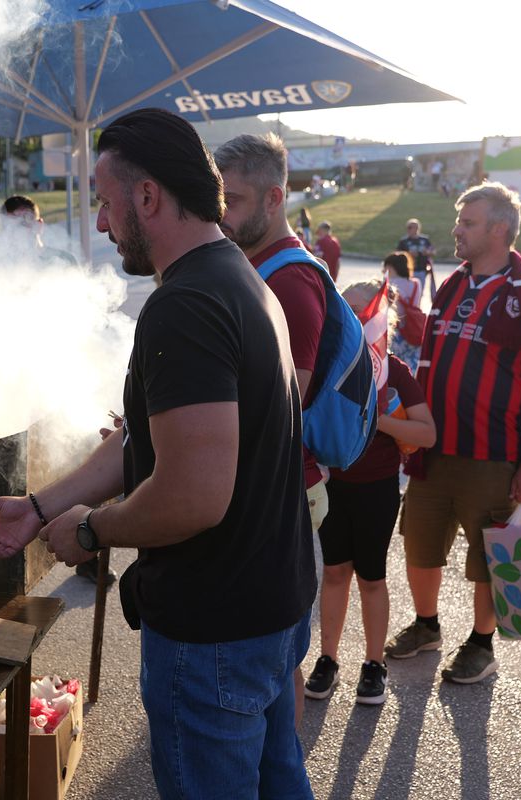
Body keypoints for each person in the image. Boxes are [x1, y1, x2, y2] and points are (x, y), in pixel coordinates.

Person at [0, 108, 316, 800]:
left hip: (214, 627)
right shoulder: (241, 278)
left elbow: (191, 495)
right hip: (271, 604)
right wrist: (42, 506)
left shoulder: (185, 307)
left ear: (149, 197)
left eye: (104, 201)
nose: (99, 222)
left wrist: (92, 529)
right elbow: (141, 443)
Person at [385, 182, 521, 684]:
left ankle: (481, 643)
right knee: (419, 543)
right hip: (433, 450)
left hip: (493, 456)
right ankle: (426, 626)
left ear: (499, 229)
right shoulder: (452, 285)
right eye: (459, 221)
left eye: (467, 222)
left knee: (491, 558)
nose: (456, 230)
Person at [212, 131, 328, 723]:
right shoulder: (254, 265)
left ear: (274, 197)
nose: (221, 214)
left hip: (285, 492)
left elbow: (284, 404)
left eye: (231, 199)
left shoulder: (289, 281)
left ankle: (282, 763)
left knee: (279, 660)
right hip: (274, 485)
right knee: (270, 661)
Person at [303, 278, 436, 705]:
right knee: (335, 572)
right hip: (334, 483)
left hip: (377, 489)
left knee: (372, 578)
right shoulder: (330, 363)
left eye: (362, 310)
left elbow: (426, 433)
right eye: (346, 308)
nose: (353, 316)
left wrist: (377, 420)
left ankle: (374, 664)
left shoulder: (393, 369)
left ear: (380, 318)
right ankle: (328, 659)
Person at [0, 194, 79, 266]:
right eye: (10, 226)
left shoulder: (65, 261)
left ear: (39, 225)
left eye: (23, 223)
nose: (17, 231)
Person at [383, 250, 424, 370]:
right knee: (411, 365)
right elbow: (416, 304)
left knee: (394, 366)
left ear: (390, 267)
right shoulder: (416, 284)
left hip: (395, 330)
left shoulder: (387, 285)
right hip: (413, 328)